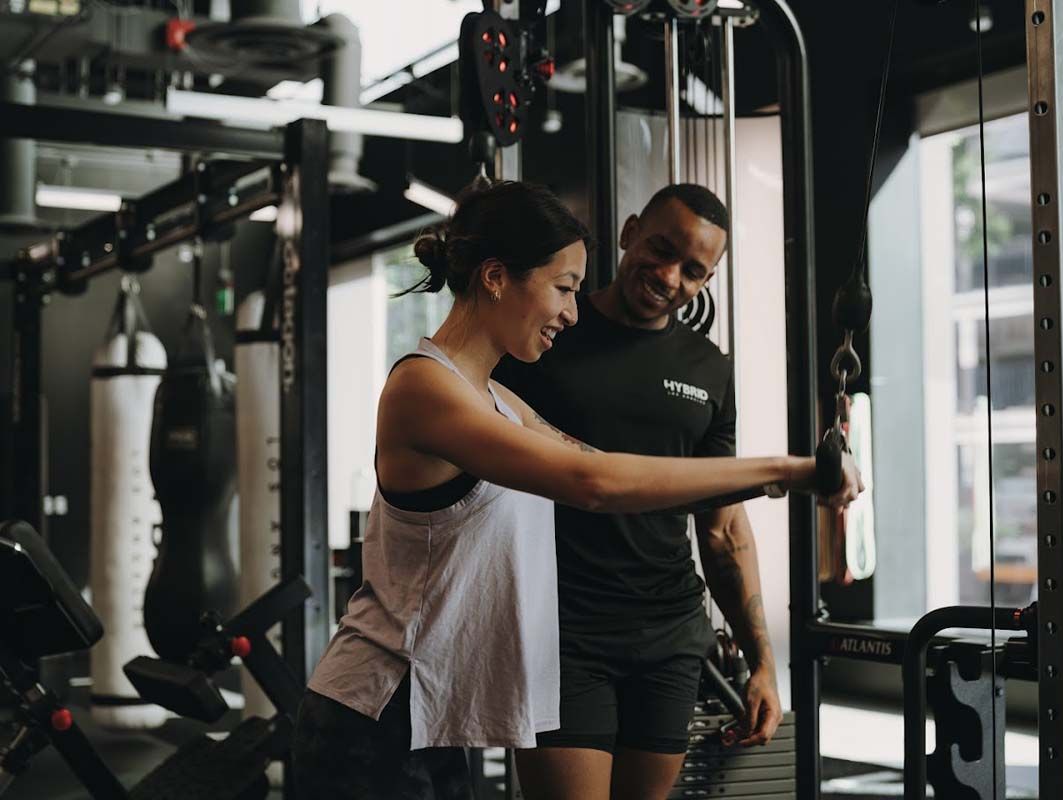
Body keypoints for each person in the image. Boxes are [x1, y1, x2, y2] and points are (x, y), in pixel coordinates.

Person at [290, 181, 862, 800]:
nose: (570, 311)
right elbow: (595, 484)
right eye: (563, 288)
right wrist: (791, 471)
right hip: (372, 710)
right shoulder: (426, 390)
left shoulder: (496, 398)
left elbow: (616, 469)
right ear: (495, 278)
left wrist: (759, 498)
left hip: (431, 711)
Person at [494, 183, 802, 800]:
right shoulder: (548, 335)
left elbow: (723, 529)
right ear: (630, 230)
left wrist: (764, 662)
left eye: (693, 271)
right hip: (562, 632)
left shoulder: (709, 370)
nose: (667, 276)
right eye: (660, 249)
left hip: (668, 635)